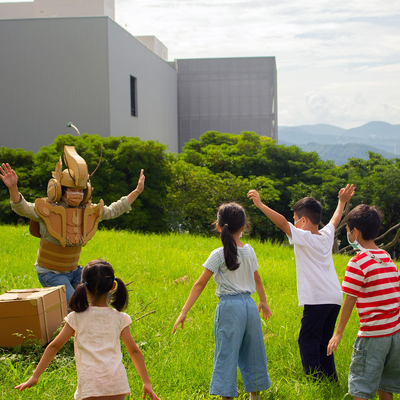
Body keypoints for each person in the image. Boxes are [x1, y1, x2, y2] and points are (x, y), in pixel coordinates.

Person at [0, 145, 145, 303]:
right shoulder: (48, 210)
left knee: (101, 297)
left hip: (74, 271)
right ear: (59, 190)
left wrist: (136, 191)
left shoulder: (87, 211)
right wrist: (13, 187)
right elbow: (22, 208)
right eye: (71, 190)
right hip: (50, 273)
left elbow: (114, 210)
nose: (77, 194)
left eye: (80, 190)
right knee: (75, 304)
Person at [247, 185, 355, 380]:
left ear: (303, 220)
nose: (293, 224)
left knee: (307, 340)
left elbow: (281, 223)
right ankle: (330, 379)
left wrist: (261, 205)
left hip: (317, 299)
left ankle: (314, 380)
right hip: (334, 297)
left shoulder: (303, 235)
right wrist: (341, 202)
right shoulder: (326, 235)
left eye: (295, 220)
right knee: (323, 341)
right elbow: (334, 219)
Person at [15, 259, 160, 400]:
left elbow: (54, 346)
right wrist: (146, 382)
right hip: (116, 384)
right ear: (113, 286)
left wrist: (35, 376)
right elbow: (134, 351)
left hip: (90, 385)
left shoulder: (75, 318)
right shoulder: (120, 318)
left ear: (83, 286)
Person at [173, 203, 272, 400]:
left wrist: (184, 311)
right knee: (254, 351)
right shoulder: (250, 251)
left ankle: (227, 396)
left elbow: (200, 284)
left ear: (219, 226)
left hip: (229, 308)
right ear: (243, 227)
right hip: (250, 307)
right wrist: (263, 301)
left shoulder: (217, 255)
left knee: (227, 352)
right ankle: (255, 396)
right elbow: (257, 278)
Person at [327, 205, 400, 400]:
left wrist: (338, 332)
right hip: (395, 333)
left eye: (349, 230)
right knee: (386, 387)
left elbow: (350, 298)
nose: (348, 235)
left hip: (373, 335)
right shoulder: (387, 258)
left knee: (361, 388)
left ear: (355, 232)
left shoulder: (358, 262)